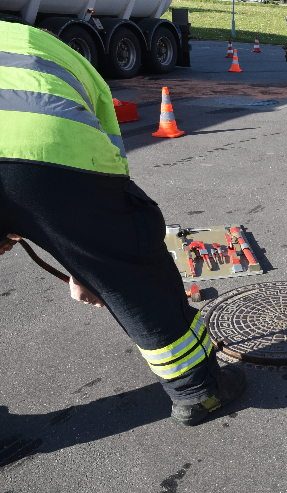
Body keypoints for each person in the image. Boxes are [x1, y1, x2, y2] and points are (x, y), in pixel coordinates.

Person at [0, 20, 245, 425]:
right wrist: (95, 266)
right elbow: (108, 158)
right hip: (46, 146)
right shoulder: (43, 44)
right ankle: (199, 392)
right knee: (140, 274)